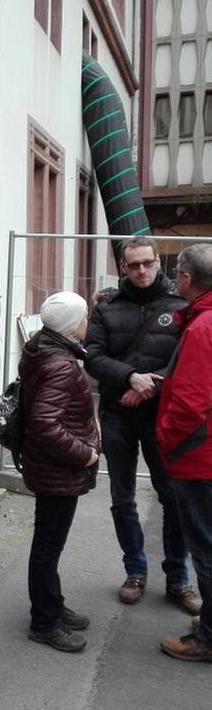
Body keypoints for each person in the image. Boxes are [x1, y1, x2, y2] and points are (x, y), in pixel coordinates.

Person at [84, 236, 201, 614]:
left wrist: (151, 385)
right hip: (117, 414)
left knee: (173, 498)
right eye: (133, 265)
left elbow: (189, 358)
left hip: (162, 416)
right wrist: (130, 377)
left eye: (147, 263)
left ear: (157, 262)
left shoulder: (181, 304)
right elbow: (92, 357)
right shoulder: (106, 307)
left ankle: (178, 577)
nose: (141, 270)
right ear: (123, 267)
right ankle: (134, 571)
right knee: (122, 499)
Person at [18, 291, 99, 653]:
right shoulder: (62, 365)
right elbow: (44, 423)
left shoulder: (43, 348)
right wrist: (85, 455)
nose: (87, 321)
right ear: (71, 325)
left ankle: (52, 605)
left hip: (48, 466)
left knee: (48, 544)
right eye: (84, 317)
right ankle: (45, 622)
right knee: (48, 547)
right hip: (57, 470)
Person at [157, 244, 212, 662]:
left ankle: (207, 639)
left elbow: (191, 404)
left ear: (188, 280)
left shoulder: (202, 327)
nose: (174, 278)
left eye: (176, 272)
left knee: (206, 551)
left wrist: (165, 437)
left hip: (198, 457)